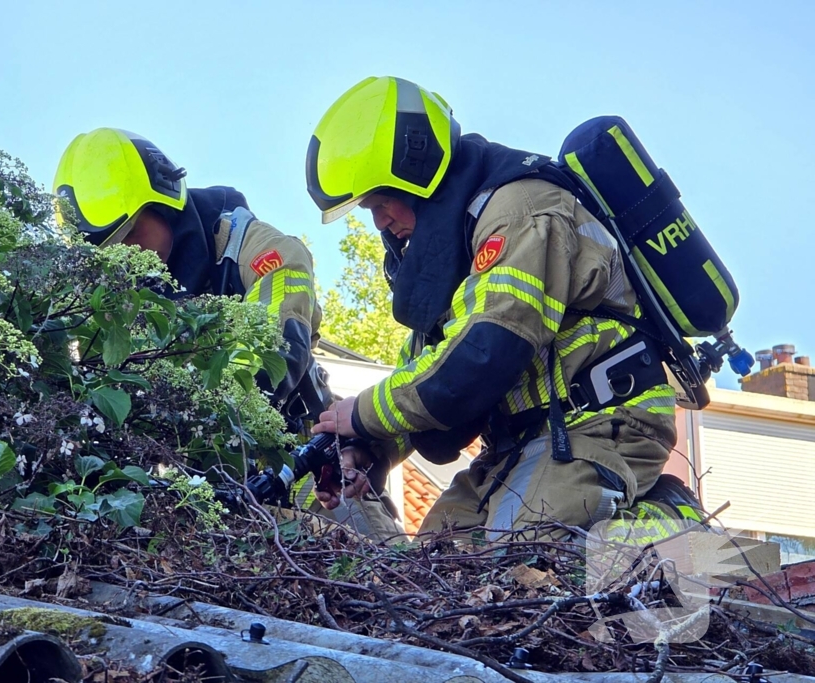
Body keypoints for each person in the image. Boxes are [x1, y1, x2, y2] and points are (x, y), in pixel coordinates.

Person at [305, 76, 705, 542]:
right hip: (519, 443)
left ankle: (669, 517)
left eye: (383, 201)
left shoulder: (522, 209)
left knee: (522, 553)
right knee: (436, 570)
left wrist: (361, 412)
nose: (379, 222)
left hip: (602, 420)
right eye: (366, 209)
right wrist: (365, 449)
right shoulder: (447, 248)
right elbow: (429, 372)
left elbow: (488, 351)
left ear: (416, 170)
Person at [54, 127, 405, 541]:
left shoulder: (247, 245)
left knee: (374, 565)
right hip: (194, 490)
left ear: (165, 202)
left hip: (307, 462)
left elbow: (280, 332)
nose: (128, 257)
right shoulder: (112, 306)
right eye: (111, 250)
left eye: (132, 233)